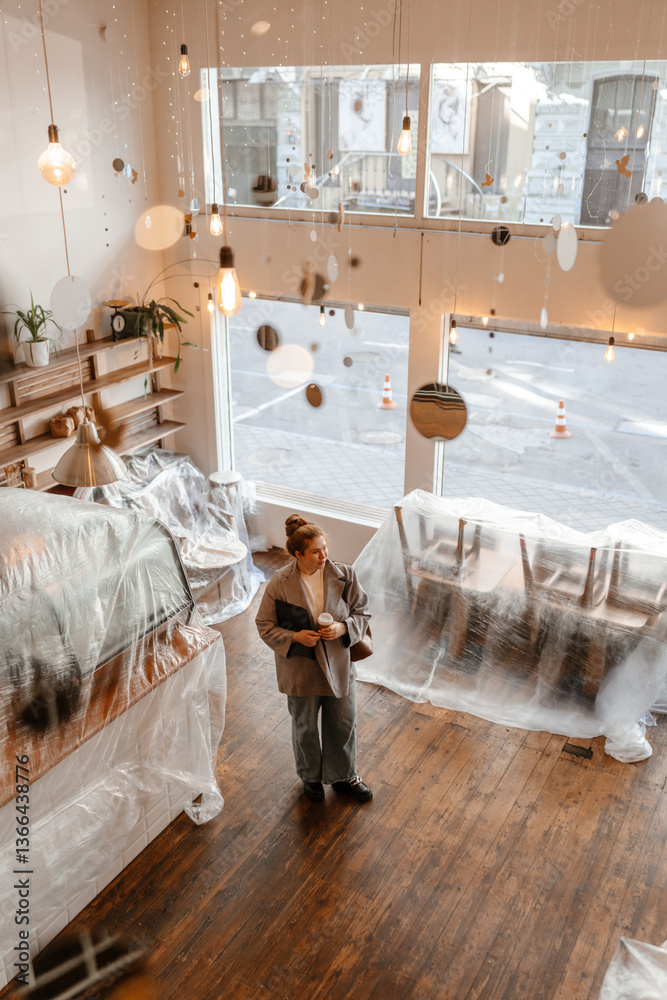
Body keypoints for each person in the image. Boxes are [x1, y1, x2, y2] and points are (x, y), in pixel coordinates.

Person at [255, 514, 372, 803]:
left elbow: (363, 612)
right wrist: (295, 638)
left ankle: (345, 774)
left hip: (338, 663)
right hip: (301, 667)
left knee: (344, 720)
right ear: (298, 555)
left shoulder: (345, 575)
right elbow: (264, 625)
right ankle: (310, 776)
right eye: (316, 551)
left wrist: (343, 628)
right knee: (304, 725)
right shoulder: (279, 583)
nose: (324, 556)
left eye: (325, 548)